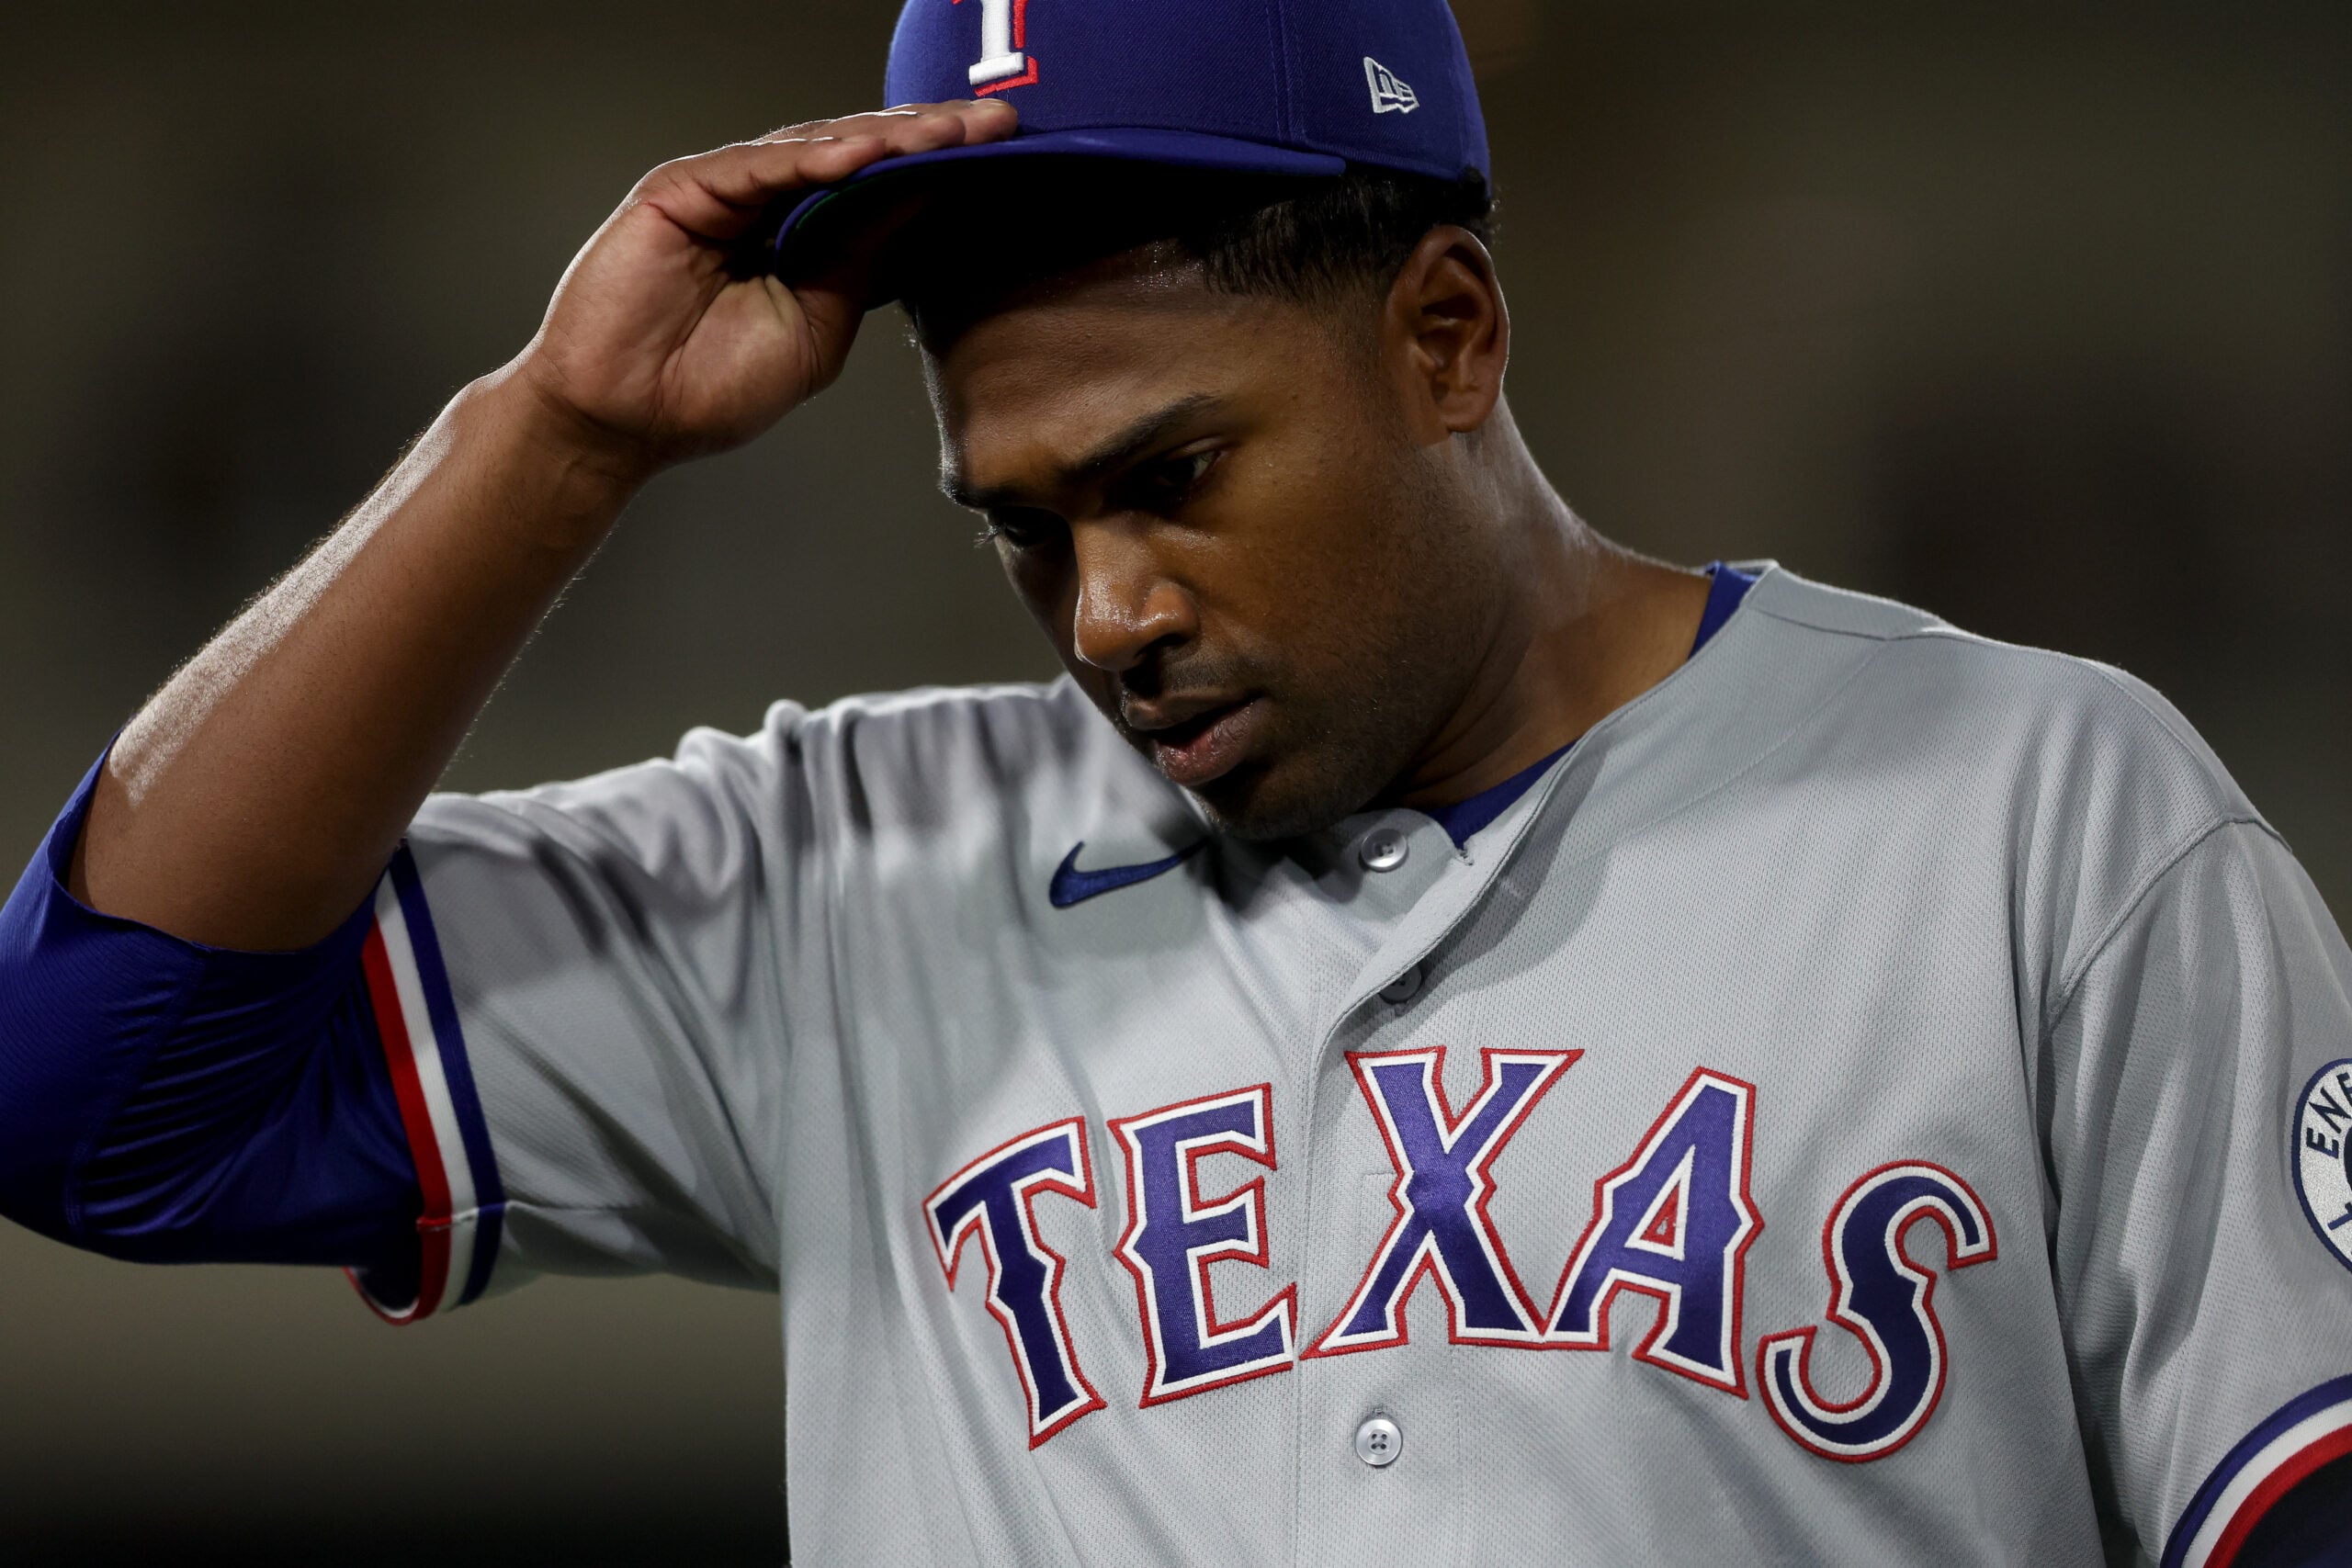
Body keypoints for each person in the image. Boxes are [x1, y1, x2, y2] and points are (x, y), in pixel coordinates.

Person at [3, 0, 2347, 1562]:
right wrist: (552, 438)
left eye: (1173, 470)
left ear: (1445, 334)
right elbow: (92, 1091)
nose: (1104, 605)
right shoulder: (847, 868)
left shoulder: (2028, 806)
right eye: (1023, 522)